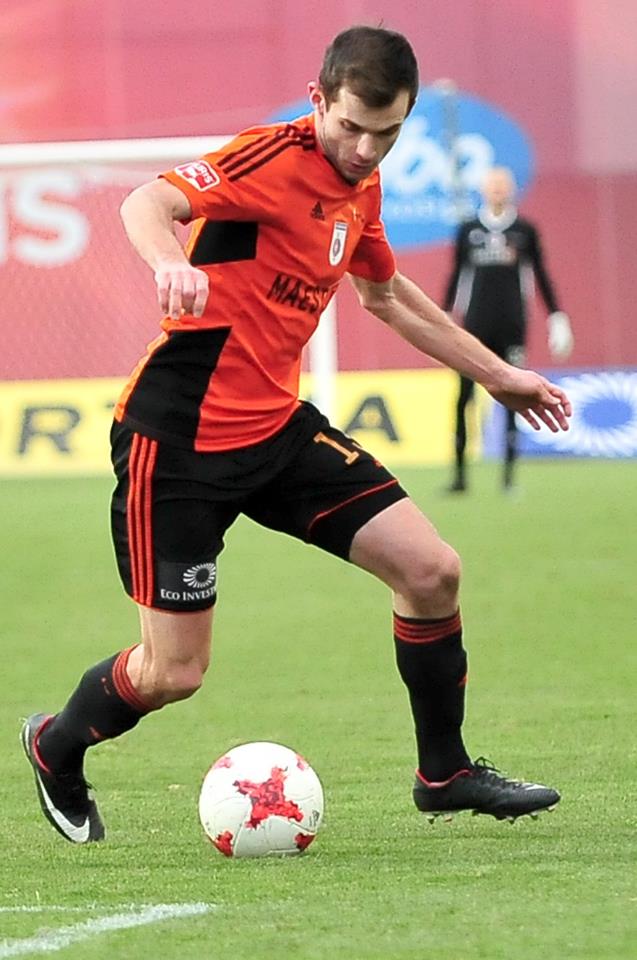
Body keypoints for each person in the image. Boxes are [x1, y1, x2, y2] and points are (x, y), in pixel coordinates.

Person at [22, 26, 571, 845]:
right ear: (318, 99)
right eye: (350, 126)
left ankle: (444, 773)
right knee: (174, 672)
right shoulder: (268, 158)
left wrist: (496, 373)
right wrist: (170, 263)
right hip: (177, 442)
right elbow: (148, 203)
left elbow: (386, 296)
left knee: (430, 573)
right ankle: (56, 744)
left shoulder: (362, 185)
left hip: (277, 432)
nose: (364, 149)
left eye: (386, 133)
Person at [443, 166, 573, 492]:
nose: (498, 190)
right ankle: (460, 477)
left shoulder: (524, 231)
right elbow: (457, 276)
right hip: (473, 328)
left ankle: (509, 477)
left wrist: (557, 316)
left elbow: (540, 274)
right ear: (483, 190)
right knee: (464, 397)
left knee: (516, 397)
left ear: (511, 190)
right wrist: (442, 316)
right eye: (493, 185)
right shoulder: (468, 230)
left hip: (512, 326)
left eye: (503, 185)